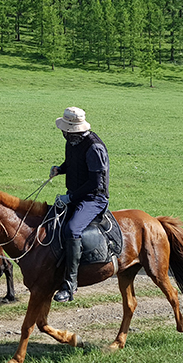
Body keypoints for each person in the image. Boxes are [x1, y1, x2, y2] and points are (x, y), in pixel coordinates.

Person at [49, 107, 109, 303]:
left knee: (72, 230)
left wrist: (71, 198)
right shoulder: (73, 142)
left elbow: (95, 183)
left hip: (94, 199)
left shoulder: (94, 148)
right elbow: (72, 163)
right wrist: (60, 168)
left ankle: (70, 285)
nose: (63, 133)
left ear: (72, 130)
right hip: (75, 196)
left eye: (65, 130)